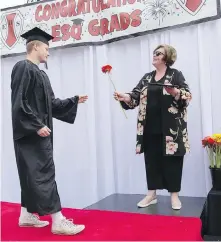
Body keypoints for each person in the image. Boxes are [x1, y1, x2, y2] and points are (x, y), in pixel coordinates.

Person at [11, 27, 88, 235]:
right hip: (31, 134)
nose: (48, 52)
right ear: (35, 46)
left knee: (32, 175)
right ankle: (58, 221)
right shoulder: (23, 67)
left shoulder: (41, 75)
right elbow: (19, 103)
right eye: (46, 47)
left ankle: (26, 215)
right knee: (43, 174)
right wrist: (36, 125)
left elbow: (51, 104)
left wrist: (73, 100)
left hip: (37, 133)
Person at [114, 44, 192, 210]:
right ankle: (151, 194)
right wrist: (125, 96)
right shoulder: (147, 78)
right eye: (154, 53)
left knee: (173, 162)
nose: (154, 56)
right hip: (149, 127)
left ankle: (174, 196)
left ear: (167, 57)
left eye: (159, 53)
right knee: (152, 161)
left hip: (171, 129)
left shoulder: (175, 75)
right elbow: (135, 96)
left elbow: (187, 97)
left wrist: (175, 92)